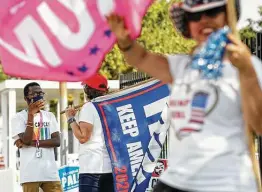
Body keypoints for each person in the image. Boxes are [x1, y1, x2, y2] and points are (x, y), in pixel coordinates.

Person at [106, 0, 262, 191]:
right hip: (177, 181)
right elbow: (140, 58)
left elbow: (259, 125)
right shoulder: (182, 66)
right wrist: (125, 41)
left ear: (228, 15)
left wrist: (247, 72)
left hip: (226, 182)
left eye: (212, 12)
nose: (204, 20)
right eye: (195, 16)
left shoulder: (249, 66)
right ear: (188, 25)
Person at [65, 73, 114, 192]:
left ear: (88, 89)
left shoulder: (89, 107)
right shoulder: (110, 107)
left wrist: (71, 118)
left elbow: (83, 137)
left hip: (91, 169)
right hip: (109, 167)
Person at [12, 82, 62, 192]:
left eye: (41, 93)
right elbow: (26, 139)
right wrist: (30, 115)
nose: (38, 96)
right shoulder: (18, 118)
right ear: (26, 98)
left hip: (50, 174)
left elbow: (57, 141)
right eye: (34, 94)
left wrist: (32, 143)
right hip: (30, 174)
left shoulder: (49, 116)